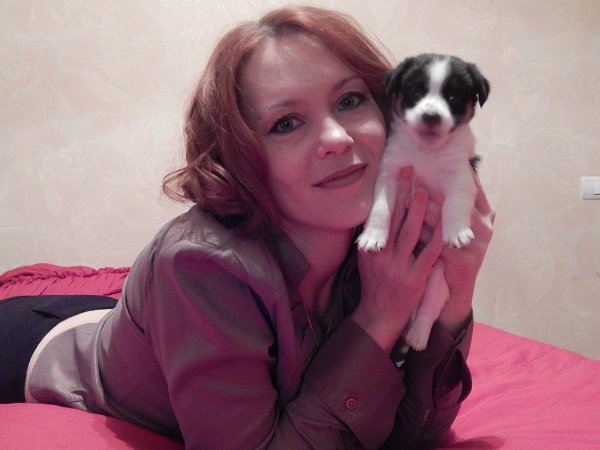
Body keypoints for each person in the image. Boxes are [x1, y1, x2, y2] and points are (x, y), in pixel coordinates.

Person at [0, 5, 494, 449]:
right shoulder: (198, 265)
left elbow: (414, 434)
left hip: (126, 321)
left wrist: (455, 295)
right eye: (286, 123)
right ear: (242, 158)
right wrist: (379, 317)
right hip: (34, 347)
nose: (338, 138)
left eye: (349, 100)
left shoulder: (377, 237)